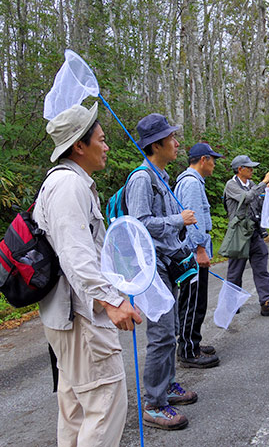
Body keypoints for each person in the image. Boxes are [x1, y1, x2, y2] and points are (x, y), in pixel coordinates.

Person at [32, 103, 142, 446]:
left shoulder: (65, 183)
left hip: (67, 317)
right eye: (102, 139)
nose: (106, 146)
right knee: (104, 406)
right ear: (79, 146)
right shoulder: (69, 186)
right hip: (81, 319)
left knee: (76, 409)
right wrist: (112, 301)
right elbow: (76, 257)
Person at [126, 113, 198, 430]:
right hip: (150, 269)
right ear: (156, 145)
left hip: (167, 265)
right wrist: (178, 221)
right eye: (171, 138)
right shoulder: (142, 179)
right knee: (162, 333)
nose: (177, 142)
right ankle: (154, 403)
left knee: (170, 330)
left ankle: (167, 386)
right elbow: (139, 224)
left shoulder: (163, 178)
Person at [173, 142, 222, 368]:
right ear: (203, 160)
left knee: (196, 299)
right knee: (192, 301)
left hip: (194, 250)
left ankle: (193, 341)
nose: (214, 164)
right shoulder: (191, 183)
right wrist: (200, 249)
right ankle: (188, 351)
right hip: (192, 253)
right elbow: (191, 219)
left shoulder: (192, 181)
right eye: (213, 159)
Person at [223, 155, 269, 316]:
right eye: (249, 167)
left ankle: (266, 302)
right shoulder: (231, 185)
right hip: (239, 234)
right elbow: (247, 198)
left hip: (254, 232)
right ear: (240, 169)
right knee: (235, 271)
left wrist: (268, 190)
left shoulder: (251, 184)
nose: (252, 170)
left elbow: (257, 203)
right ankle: (231, 303)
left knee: (261, 268)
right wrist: (263, 183)